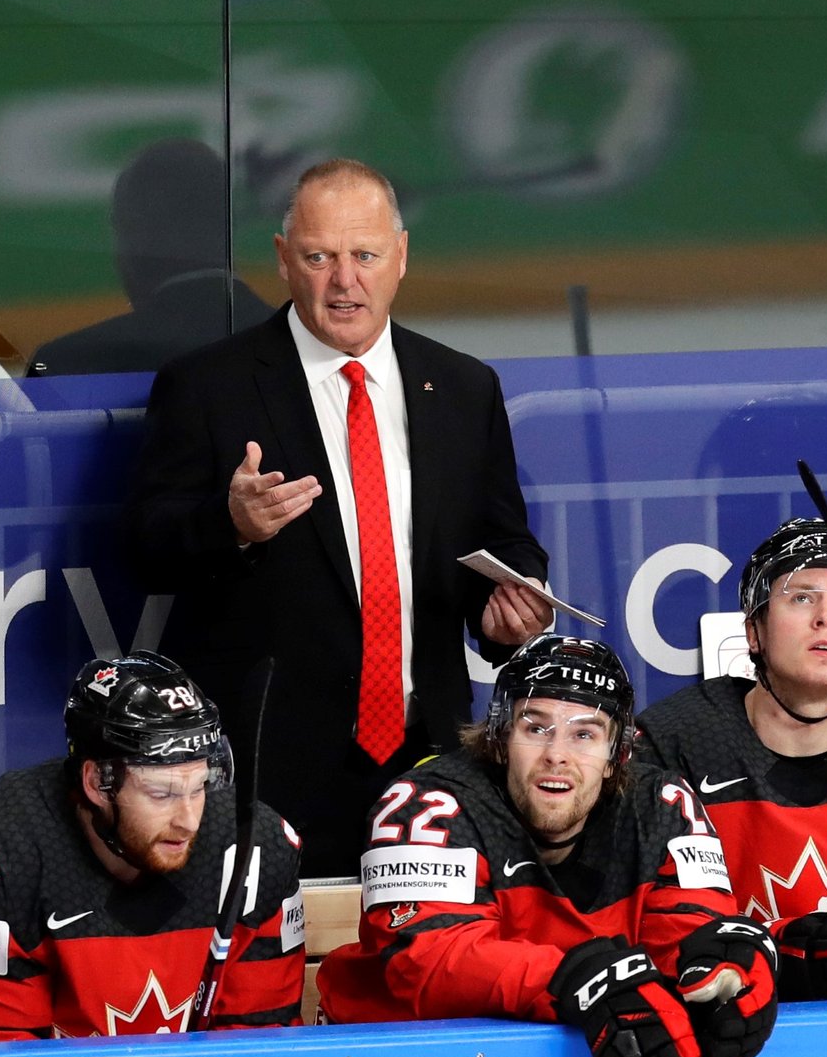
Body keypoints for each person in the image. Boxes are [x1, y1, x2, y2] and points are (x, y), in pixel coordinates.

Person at [124, 157, 551, 877]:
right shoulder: (209, 386)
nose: (343, 280)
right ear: (285, 260)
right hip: (269, 768)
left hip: (432, 758)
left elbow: (500, 539)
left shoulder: (463, 386)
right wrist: (232, 526)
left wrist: (510, 610)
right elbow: (145, 548)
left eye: (364, 255)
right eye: (320, 256)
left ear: (401, 257)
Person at [317, 635, 777, 1057]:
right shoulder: (425, 802)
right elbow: (428, 963)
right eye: (535, 728)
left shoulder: (663, 806)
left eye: (585, 734)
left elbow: (691, 944)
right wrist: (575, 979)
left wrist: (732, 965)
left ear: (618, 752)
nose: (557, 754)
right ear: (499, 736)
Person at [0, 651, 305, 1040]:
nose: (189, 820)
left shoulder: (257, 850)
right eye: (161, 793)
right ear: (97, 782)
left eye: (199, 787)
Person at [635, 516, 827, 999]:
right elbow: (637, 925)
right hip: (734, 1043)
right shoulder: (674, 743)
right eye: (802, 597)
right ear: (753, 632)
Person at [27, 138, 272, 377]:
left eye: (120, 227)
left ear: (135, 233)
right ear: (229, 227)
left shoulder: (67, 364)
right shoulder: (300, 345)